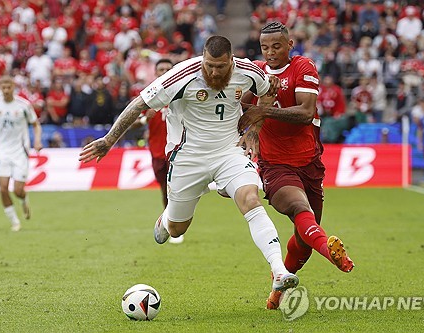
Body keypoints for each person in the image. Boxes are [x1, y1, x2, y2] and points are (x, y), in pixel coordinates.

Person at [79, 35, 299, 296]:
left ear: (231, 61)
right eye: (208, 65)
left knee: (251, 199)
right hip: (187, 159)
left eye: (219, 66)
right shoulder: (181, 75)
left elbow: (267, 92)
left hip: (229, 152)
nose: (213, 72)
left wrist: (254, 131)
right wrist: (109, 140)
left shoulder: (248, 71)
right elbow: (139, 104)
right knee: (177, 229)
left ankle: (279, 270)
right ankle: (167, 218)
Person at [238, 22, 354, 310]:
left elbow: (304, 113)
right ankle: (330, 250)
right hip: (275, 164)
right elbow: (242, 107)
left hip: (309, 162)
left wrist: (264, 109)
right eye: (265, 47)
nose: (271, 52)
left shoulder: (303, 67)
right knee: (301, 210)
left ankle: (277, 288)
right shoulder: (257, 72)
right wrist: (255, 101)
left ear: (289, 45)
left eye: (277, 46)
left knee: (304, 241)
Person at [0, 75, 42, 231]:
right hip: (2, 151)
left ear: (13, 87)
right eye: (3, 88)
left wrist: (37, 141)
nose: (6, 91)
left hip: (20, 151)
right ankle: (15, 221)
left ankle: (24, 199)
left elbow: (36, 124)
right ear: (0, 88)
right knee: (3, 188)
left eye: (9, 87)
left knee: (17, 190)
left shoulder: (23, 105)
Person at [130, 58, 184, 244]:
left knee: (176, 189)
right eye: (161, 69)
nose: (164, 71)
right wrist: (145, 119)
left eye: (168, 69)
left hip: (179, 150)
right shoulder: (148, 96)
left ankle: (175, 226)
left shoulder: (182, 93)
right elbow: (132, 122)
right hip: (157, 151)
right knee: (164, 190)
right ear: (155, 72)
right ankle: (169, 223)